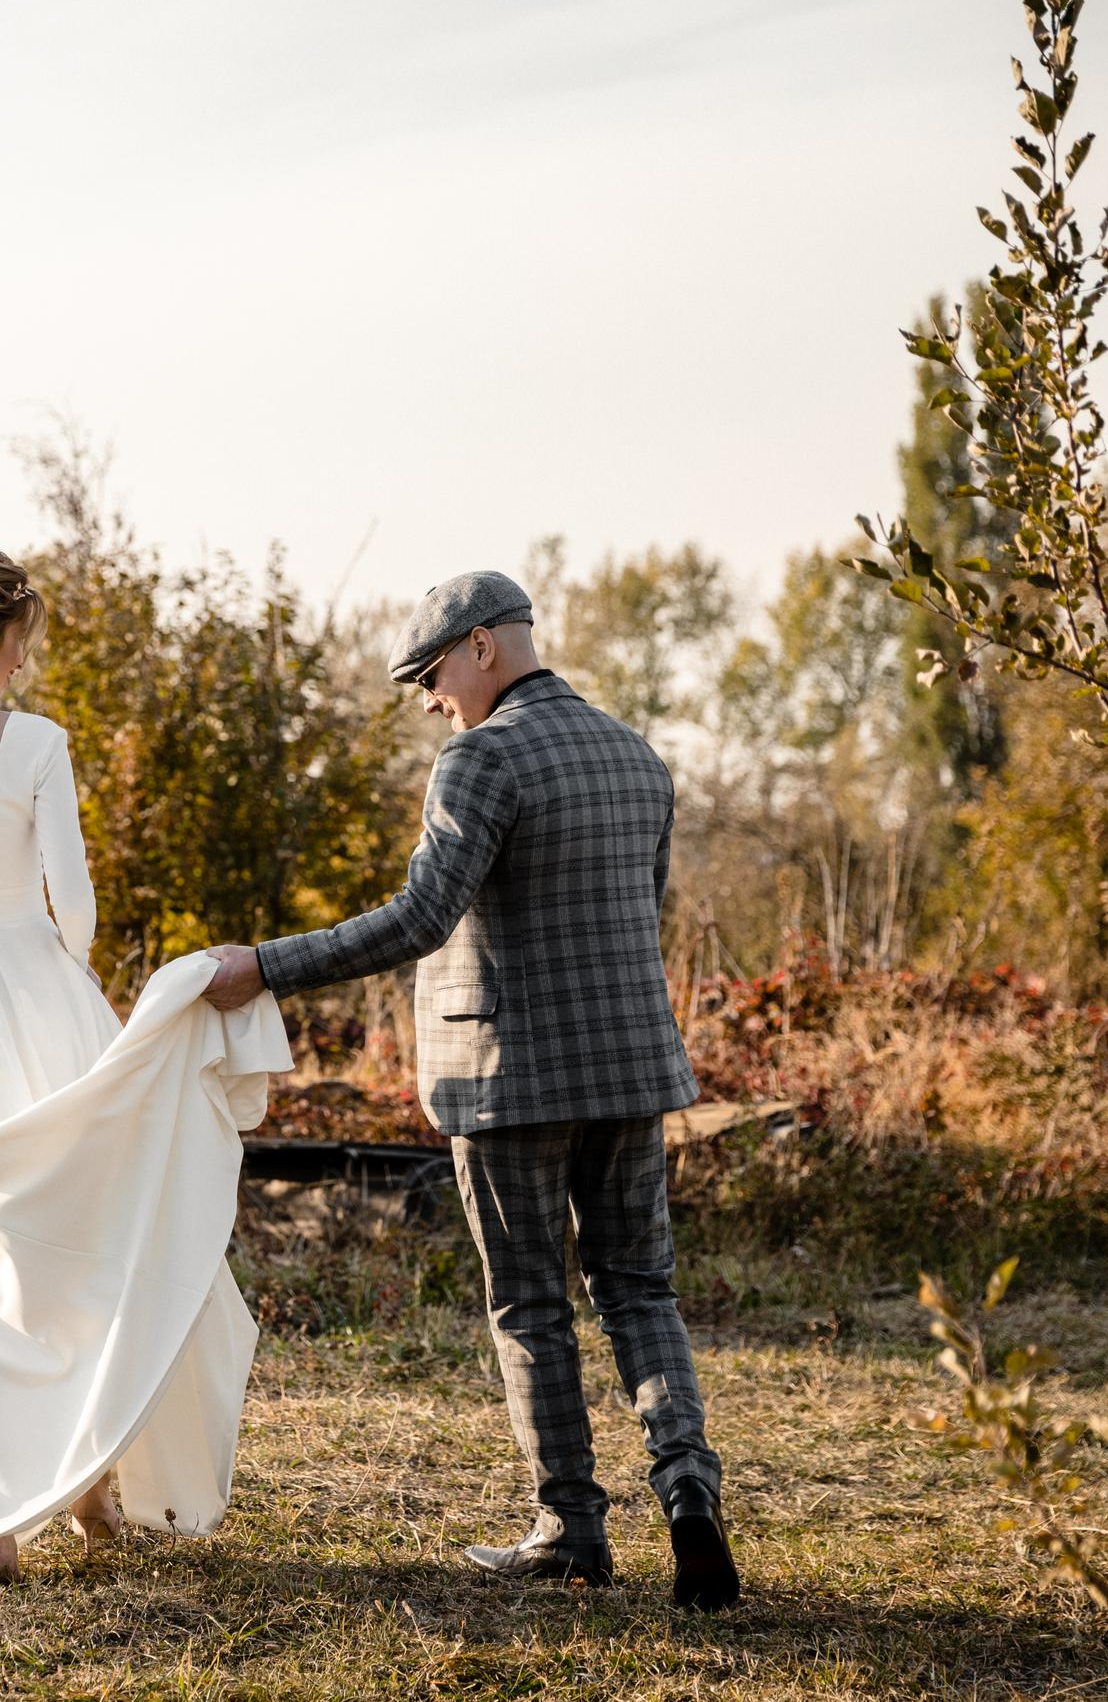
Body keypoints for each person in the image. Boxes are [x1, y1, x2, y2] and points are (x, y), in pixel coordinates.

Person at [200, 569, 741, 1610]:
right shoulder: (638, 756)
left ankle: (571, 1532)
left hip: (505, 1081)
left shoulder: (477, 760)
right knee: (640, 1290)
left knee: (531, 1304)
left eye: (433, 672)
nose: (429, 697)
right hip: (630, 1066)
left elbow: (418, 919)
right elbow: (643, 912)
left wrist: (263, 965)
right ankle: (688, 1499)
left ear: (484, 645)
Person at [0, 547, 288, 1588]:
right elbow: (69, 906)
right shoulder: (34, 743)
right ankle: (86, 1493)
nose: (25, 663)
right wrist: (63, 983)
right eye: (22, 639)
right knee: (86, 1229)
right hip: (39, 989)